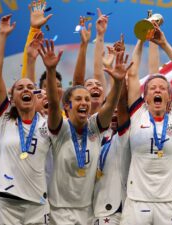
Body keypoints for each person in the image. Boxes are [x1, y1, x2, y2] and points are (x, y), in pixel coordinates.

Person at [39, 38, 132, 224]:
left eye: (87, 100)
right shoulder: (59, 128)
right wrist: (50, 71)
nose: (84, 103)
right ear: (67, 105)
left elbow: (111, 103)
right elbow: (53, 103)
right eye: (79, 99)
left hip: (89, 212)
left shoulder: (94, 128)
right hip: (59, 212)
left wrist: (119, 82)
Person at [120, 20, 172, 225]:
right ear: (144, 95)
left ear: (170, 96)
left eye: (163, 88)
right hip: (136, 200)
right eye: (153, 88)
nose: (158, 90)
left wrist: (164, 44)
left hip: (169, 201)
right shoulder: (137, 112)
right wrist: (141, 40)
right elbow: (131, 74)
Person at [0, 14, 51, 225]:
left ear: (36, 95)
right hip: (6, 207)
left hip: (38, 207)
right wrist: (2, 35)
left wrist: (33, 59)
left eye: (29, 88)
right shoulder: (5, 120)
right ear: (12, 99)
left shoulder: (46, 124)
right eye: (19, 88)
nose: (26, 90)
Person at [92, 81, 131, 225]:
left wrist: (119, 82)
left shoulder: (127, 136)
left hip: (124, 209)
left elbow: (122, 105)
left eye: (117, 109)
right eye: (110, 108)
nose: (115, 111)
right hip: (99, 208)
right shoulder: (96, 138)